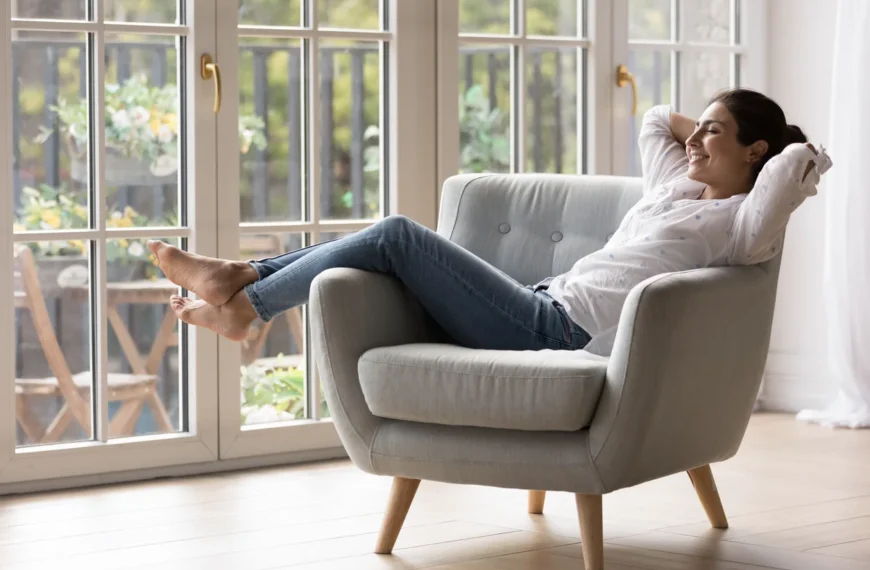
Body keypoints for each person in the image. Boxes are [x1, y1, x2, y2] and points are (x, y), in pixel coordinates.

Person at [148, 88, 832, 356]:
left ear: (755, 152)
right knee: (388, 253)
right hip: (541, 301)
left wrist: (754, 143)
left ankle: (247, 298)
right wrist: (713, 132)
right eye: (700, 128)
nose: (694, 139)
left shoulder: (745, 223)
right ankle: (241, 283)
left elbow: (800, 160)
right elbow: (656, 116)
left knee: (395, 235)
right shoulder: (674, 189)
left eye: (715, 133)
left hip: (557, 332)